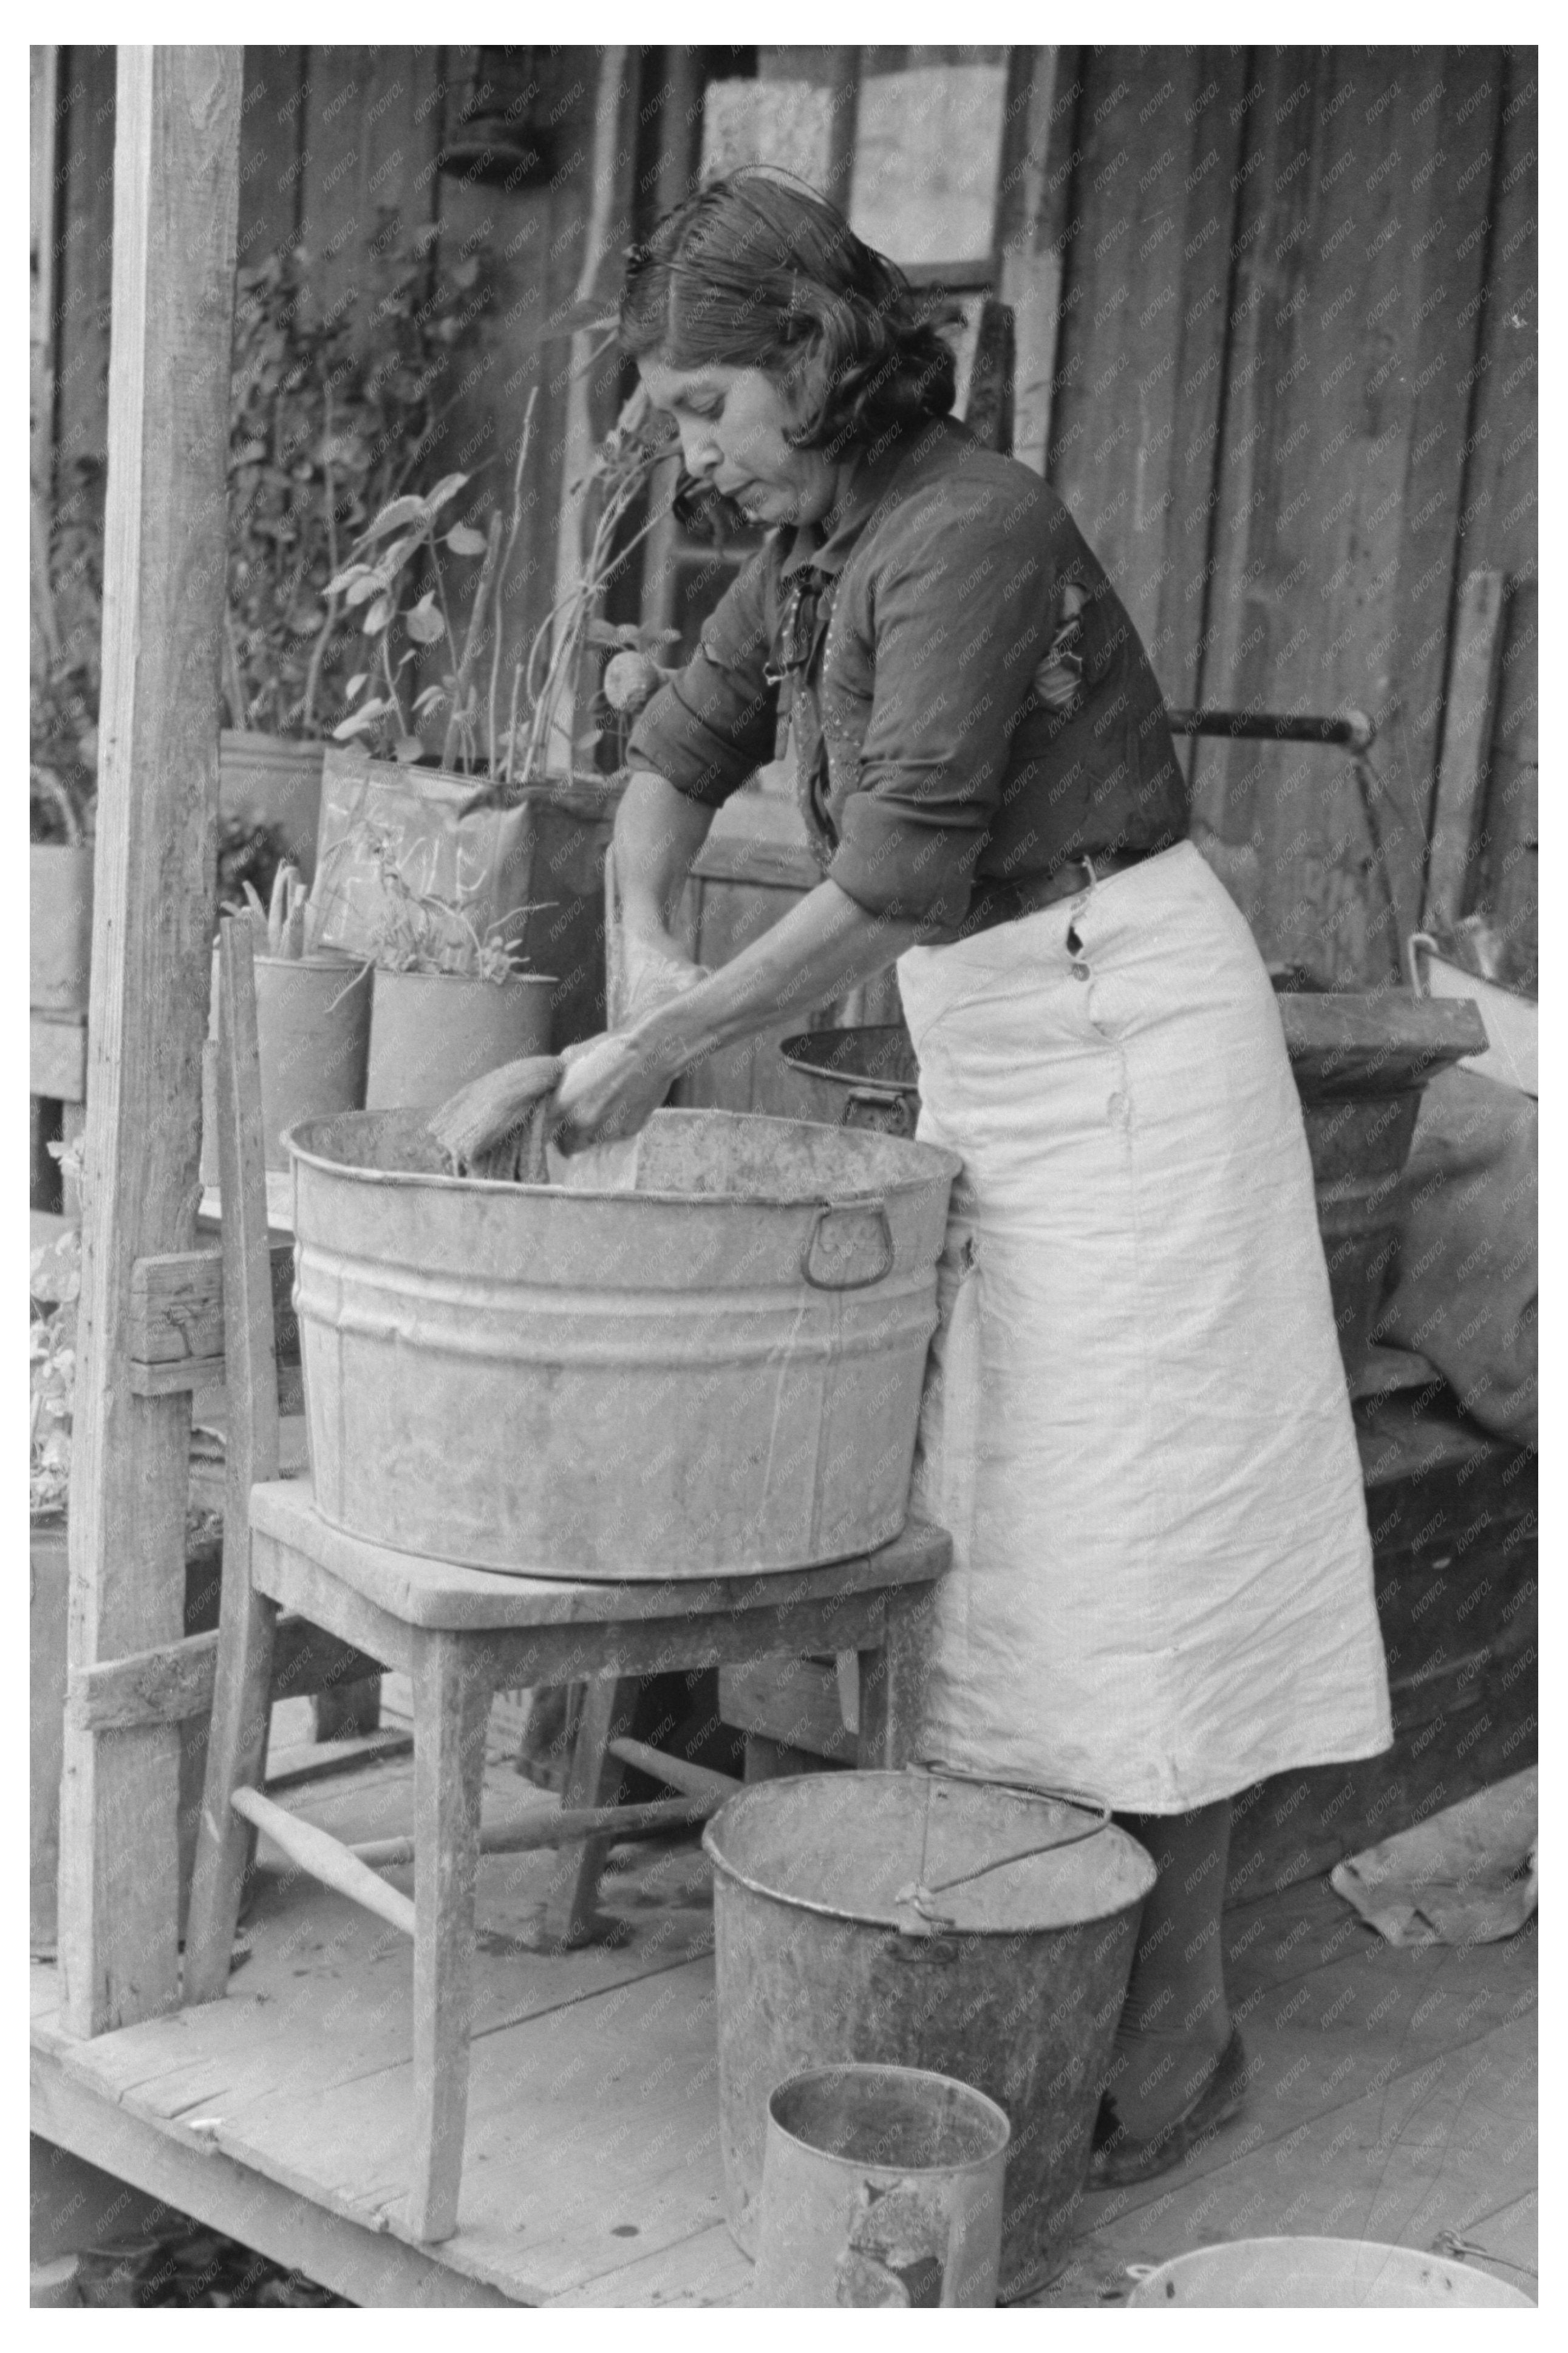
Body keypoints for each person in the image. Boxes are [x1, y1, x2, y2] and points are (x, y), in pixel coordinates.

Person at [434, 171, 1392, 2185]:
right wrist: (647, 949)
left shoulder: (974, 525)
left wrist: (653, 1053)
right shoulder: (813, 535)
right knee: (1011, 1528)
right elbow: (673, 768)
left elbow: (896, 872)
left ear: (808, 357)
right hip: (995, 1034)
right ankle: (1036, 1963)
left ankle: (1181, 2012)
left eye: (708, 404)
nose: (695, 447)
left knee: (1158, 1543)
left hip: (1123, 1029)